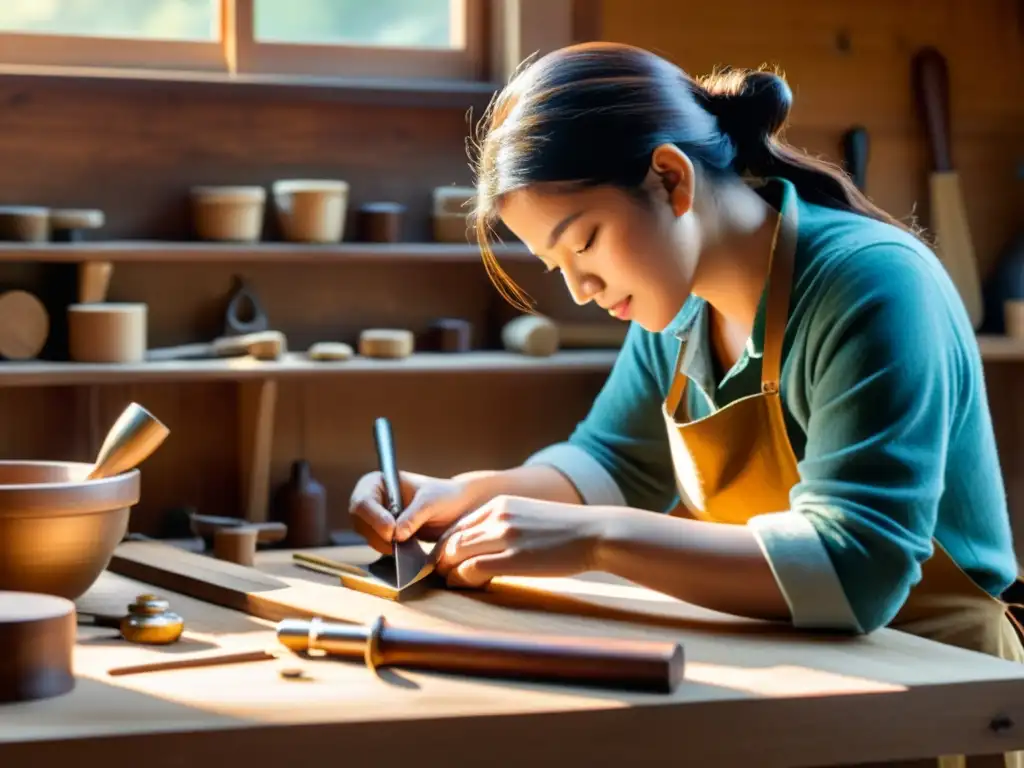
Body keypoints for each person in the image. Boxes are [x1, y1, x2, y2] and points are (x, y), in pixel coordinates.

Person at [350, 40, 1023, 703]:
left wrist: (593, 540)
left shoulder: (871, 284)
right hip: (788, 668)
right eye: (558, 267)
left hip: (943, 683)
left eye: (583, 241)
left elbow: (857, 569)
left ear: (671, 179)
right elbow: (612, 463)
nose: (581, 289)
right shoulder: (675, 307)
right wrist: (464, 496)